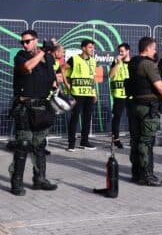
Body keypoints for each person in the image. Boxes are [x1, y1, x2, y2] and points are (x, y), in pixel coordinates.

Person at [9, 30, 58, 195]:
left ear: (36, 40)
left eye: (28, 41)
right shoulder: (20, 57)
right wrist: (44, 51)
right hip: (25, 108)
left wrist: (56, 87)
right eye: (22, 42)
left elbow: (51, 78)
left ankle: (40, 179)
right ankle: (16, 182)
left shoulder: (49, 59)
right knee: (23, 145)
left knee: (40, 144)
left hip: (42, 107)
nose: (24, 44)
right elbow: (28, 68)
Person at [126, 36, 162, 186]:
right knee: (146, 142)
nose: (155, 51)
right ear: (147, 48)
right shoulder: (148, 64)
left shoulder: (133, 62)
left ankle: (136, 174)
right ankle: (147, 176)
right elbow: (159, 86)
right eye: (154, 48)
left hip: (134, 105)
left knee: (136, 140)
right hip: (148, 108)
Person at [63, 39, 97, 151]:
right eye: (90, 47)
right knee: (74, 118)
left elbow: (92, 78)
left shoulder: (93, 60)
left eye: (92, 47)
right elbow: (62, 69)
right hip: (76, 94)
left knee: (87, 118)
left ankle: (84, 142)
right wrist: (66, 83)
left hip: (89, 94)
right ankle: (71, 143)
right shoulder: (74, 58)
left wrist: (94, 93)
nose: (92, 49)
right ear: (83, 48)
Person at [109, 43, 131, 149]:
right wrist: (117, 63)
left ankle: (133, 138)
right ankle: (116, 139)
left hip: (130, 94)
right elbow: (110, 75)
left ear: (128, 51)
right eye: (119, 51)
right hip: (118, 94)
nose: (120, 53)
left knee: (132, 117)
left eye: (122, 51)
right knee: (117, 117)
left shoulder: (133, 63)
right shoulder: (116, 61)